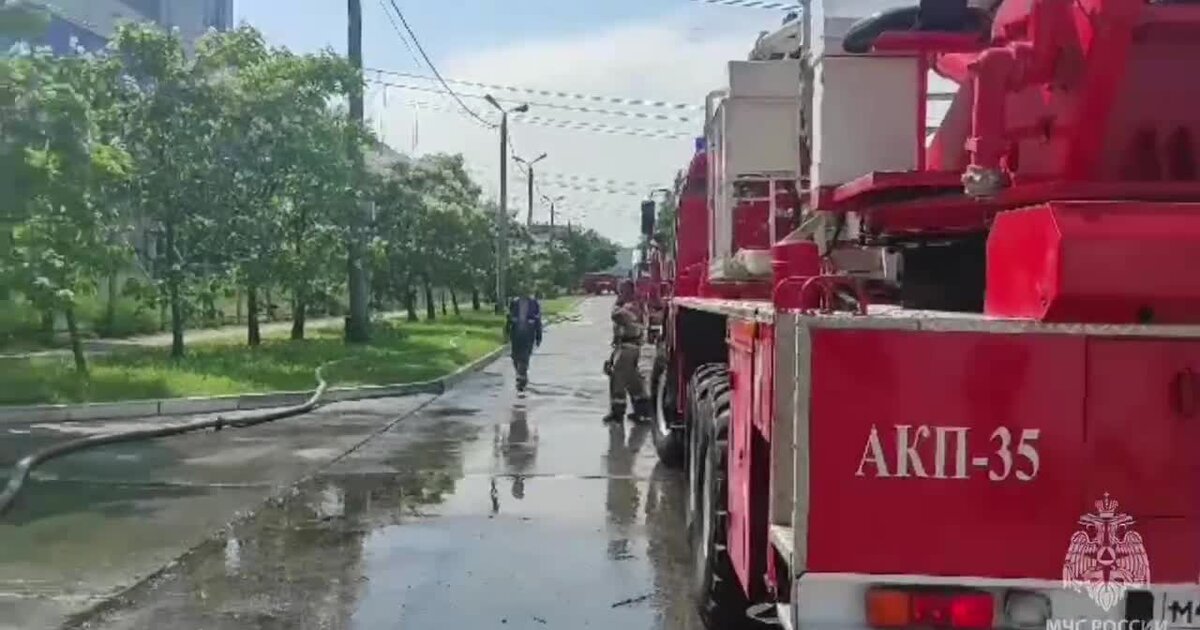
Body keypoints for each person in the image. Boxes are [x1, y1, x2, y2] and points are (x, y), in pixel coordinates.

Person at [604, 280, 651, 423]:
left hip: (628, 347)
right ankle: (642, 411)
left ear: (628, 291)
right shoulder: (634, 304)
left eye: (621, 290)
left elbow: (617, 316)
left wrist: (618, 304)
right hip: (625, 346)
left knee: (617, 379)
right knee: (633, 380)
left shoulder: (632, 306)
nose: (619, 293)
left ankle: (617, 413)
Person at [505, 293, 542, 392]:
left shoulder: (534, 303)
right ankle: (520, 374)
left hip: (528, 335)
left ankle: (521, 378)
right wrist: (507, 331)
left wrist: (539, 336)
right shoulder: (514, 302)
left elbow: (538, 320)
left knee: (524, 357)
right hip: (516, 335)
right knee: (515, 357)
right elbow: (509, 318)